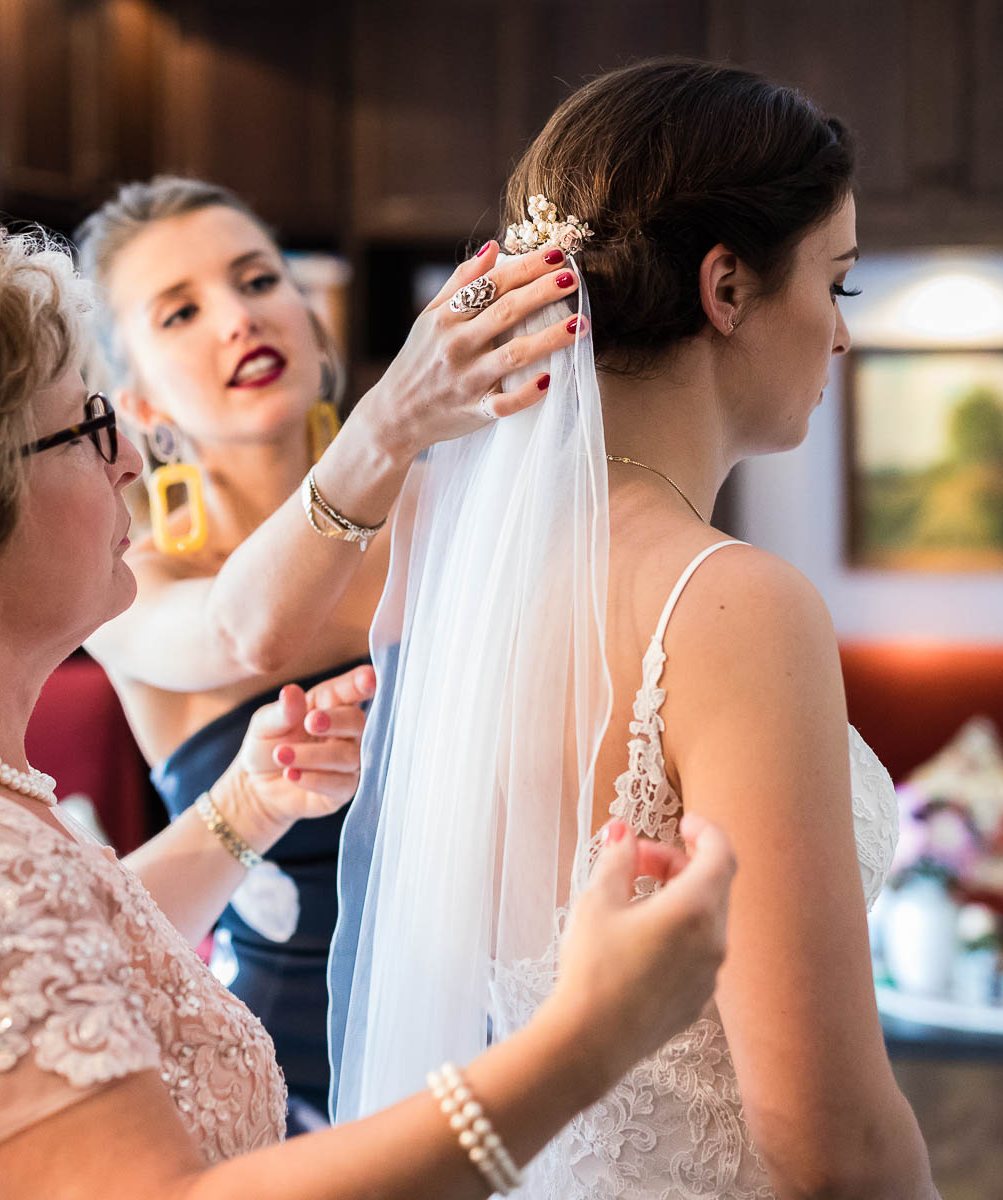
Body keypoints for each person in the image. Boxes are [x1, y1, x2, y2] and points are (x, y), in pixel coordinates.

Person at [0, 211, 737, 1198]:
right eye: (85, 429)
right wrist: (591, 1037)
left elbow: (47, 971)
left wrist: (243, 810)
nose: (130, 459)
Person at [330, 59, 939, 1198]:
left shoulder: (481, 579)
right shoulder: (731, 603)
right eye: (839, 284)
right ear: (726, 287)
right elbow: (829, 1140)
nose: (843, 338)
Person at [76, 176, 580, 1126]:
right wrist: (389, 422)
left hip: (526, 1046)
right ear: (135, 400)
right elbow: (247, 629)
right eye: (181, 311)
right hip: (288, 1088)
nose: (237, 318)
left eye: (258, 280)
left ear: (307, 317)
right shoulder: (125, 579)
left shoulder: (452, 513)